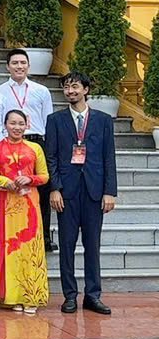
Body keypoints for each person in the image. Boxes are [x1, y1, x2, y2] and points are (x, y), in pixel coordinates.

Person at [46, 71, 117, 315]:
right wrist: (54, 188)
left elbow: (109, 158)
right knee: (66, 245)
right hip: (66, 192)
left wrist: (110, 191)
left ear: (86, 90)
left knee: (92, 245)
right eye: (66, 87)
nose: (70, 91)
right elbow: (51, 157)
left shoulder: (103, 120)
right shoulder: (55, 120)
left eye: (75, 87)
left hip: (94, 191)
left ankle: (93, 295)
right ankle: (69, 296)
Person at [0, 109, 50, 314]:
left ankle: (31, 296)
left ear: (27, 125)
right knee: (9, 249)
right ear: (5, 124)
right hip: (5, 203)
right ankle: (11, 296)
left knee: (30, 249)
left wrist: (30, 179)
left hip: (29, 204)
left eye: (20, 123)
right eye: (12, 123)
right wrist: (4, 182)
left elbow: (44, 176)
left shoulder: (35, 148)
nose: (16, 127)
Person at [0, 49, 56, 251]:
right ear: (8, 66)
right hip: (11, 142)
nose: (19, 66)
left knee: (41, 189)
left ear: (28, 66)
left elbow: (49, 120)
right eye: (15, 63)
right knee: (12, 188)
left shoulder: (41, 90)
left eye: (23, 63)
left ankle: (44, 236)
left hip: (36, 141)